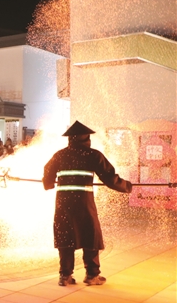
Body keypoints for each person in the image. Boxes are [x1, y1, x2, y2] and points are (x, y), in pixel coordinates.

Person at [43, 121, 132, 287]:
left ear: (70, 139)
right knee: (90, 235)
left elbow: (48, 171)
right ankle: (92, 275)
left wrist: (48, 183)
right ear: (86, 139)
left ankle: (65, 276)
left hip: (63, 204)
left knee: (65, 237)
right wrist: (127, 186)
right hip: (84, 204)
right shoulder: (92, 155)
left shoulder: (60, 155)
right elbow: (109, 178)